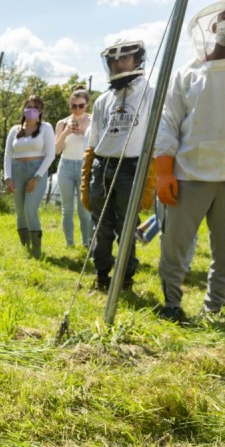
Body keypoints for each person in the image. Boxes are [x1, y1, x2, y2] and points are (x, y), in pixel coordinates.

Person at [154, 2, 225, 322]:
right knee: (175, 247)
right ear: (213, 26)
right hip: (187, 175)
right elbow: (167, 124)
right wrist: (164, 170)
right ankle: (172, 303)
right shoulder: (187, 73)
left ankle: (216, 308)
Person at [82, 39, 155, 292]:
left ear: (137, 60)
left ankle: (124, 280)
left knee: (127, 226)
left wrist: (151, 175)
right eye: (113, 59)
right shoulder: (103, 100)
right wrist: (87, 173)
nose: (118, 63)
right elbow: (93, 140)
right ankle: (101, 276)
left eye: (124, 58)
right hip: (102, 166)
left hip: (131, 167)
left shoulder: (150, 93)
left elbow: (157, 136)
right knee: (101, 225)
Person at [3, 95, 55, 259]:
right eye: (28, 106)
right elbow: (7, 155)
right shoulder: (14, 130)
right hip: (17, 171)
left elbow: (50, 155)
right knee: (20, 211)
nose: (30, 110)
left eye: (34, 107)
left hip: (36, 171)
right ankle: (26, 249)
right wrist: (8, 177)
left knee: (30, 210)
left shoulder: (46, 128)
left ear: (40, 111)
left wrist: (37, 177)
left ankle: (37, 251)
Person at [54, 86, 93, 248]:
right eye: (74, 106)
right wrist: (66, 133)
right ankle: (70, 244)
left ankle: (87, 243)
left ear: (87, 105)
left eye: (81, 105)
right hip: (66, 167)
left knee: (84, 210)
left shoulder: (93, 121)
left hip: (85, 166)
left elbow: (98, 145)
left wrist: (84, 132)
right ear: (70, 106)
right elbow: (56, 150)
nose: (77, 109)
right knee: (67, 208)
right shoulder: (62, 123)